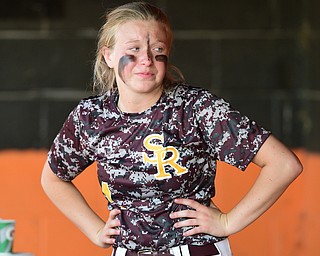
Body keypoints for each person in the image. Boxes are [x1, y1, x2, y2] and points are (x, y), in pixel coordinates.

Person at [41, 2, 303, 256]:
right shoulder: (91, 116)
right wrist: (95, 230)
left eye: (157, 49)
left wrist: (227, 222)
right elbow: (53, 178)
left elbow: (283, 164)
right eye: (133, 49)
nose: (146, 60)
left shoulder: (195, 108)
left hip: (192, 250)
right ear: (108, 55)